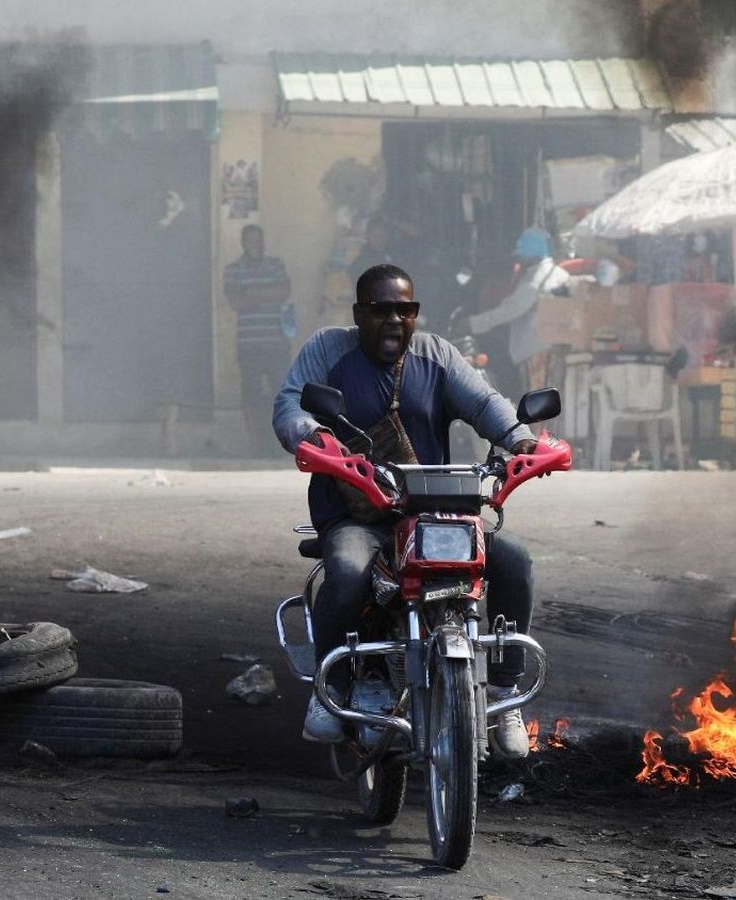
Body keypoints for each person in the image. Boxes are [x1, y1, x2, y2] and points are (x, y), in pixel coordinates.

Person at [273, 264, 538, 759]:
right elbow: (290, 405)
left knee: (513, 561)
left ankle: (504, 690)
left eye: (405, 309)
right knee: (349, 573)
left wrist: (521, 440)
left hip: (430, 510)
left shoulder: (436, 355)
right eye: (381, 310)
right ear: (359, 314)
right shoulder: (329, 350)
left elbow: (483, 403)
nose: (394, 320)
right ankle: (332, 690)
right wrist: (312, 437)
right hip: (355, 514)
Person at [467, 227, 571, 377]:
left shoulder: (534, 280)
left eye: (522, 256)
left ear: (533, 254)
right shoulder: (560, 273)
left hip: (537, 351)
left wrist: (472, 323)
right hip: (555, 347)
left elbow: (511, 310)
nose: (519, 260)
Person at [224, 224, 293, 449]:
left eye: (258, 239)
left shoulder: (275, 265)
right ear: (243, 243)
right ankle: (257, 445)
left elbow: (283, 292)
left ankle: (279, 443)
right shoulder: (233, 270)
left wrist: (252, 294)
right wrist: (267, 295)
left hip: (276, 343)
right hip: (248, 345)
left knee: (280, 393)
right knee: (251, 395)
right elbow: (236, 302)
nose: (255, 244)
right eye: (250, 240)